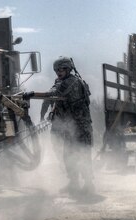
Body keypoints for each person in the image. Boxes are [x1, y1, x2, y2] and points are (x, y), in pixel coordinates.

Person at [25, 56, 94, 197]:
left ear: (68, 69)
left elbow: (53, 93)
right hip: (70, 127)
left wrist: (32, 94)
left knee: (82, 156)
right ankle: (73, 183)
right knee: (68, 156)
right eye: (56, 70)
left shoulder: (72, 82)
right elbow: (51, 97)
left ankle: (88, 184)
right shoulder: (60, 81)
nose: (59, 72)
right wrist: (44, 113)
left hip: (81, 127)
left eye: (62, 69)